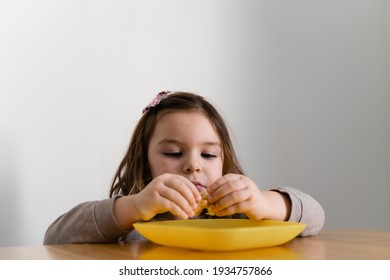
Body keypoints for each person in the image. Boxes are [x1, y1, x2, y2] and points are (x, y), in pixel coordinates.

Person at [43, 91, 325, 244]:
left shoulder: (241, 217)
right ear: (145, 159)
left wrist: (266, 203)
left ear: (224, 160)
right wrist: (133, 206)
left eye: (209, 155)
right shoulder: (133, 227)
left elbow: (315, 216)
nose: (193, 165)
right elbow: (55, 236)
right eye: (174, 152)